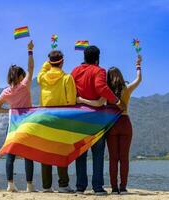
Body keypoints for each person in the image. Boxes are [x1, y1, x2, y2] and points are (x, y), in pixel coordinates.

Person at [78, 55, 143, 195]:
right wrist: (138, 66)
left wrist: (81, 100)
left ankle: (114, 188)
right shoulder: (127, 89)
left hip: (112, 124)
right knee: (124, 158)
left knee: (113, 158)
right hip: (125, 123)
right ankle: (123, 187)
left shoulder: (107, 92)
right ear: (120, 76)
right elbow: (139, 80)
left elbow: (98, 103)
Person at [71, 45, 126, 195]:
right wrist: (116, 101)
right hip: (96, 118)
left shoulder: (75, 71)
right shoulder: (99, 70)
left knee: (81, 153)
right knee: (98, 153)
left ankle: (80, 187)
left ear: (84, 57)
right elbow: (101, 87)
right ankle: (97, 187)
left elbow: (70, 90)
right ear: (97, 58)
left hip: (78, 116)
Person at [0, 41, 36, 192]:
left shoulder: (5, 92)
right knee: (28, 154)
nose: (25, 76)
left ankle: (10, 184)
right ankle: (29, 186)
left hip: (13, 123)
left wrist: (10, 111)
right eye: (23, 75)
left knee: (10, 154)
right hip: (27, 122)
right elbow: (31, 68)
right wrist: (30, 51)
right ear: (20, 76)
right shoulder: (24, 86)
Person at [37, 50, 76, 193]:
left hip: (45, 118)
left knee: (46, 152)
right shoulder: (67, 78)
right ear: (62, 62)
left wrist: (48, 62)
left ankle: (46, 186)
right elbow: (71, 101)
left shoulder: (42, 78)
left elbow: (42, 70)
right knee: (61, 151)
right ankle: (63, 185)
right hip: (61, 119)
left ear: (50, 62)